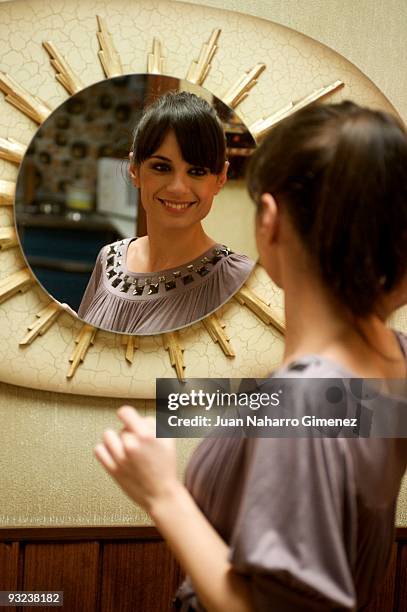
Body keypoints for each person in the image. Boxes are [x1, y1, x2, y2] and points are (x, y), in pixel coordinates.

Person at [94, 101, 407, 611]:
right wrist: (185, 404)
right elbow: (338, 410)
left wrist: (161, 494)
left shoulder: (302, 401)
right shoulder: (392, 359)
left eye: (196, 170)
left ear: (269, 220)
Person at [78, 91, 254, 334]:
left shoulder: (239, 278)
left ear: (220, 178)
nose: (177, 188)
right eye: (161, 167)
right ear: (135, 170)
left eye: (197, 171)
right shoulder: (108, 260)